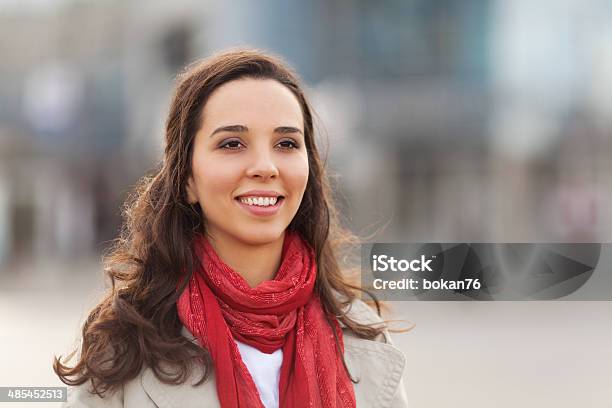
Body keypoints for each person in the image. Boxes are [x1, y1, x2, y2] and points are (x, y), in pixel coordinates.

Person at [54, 48, 409, 408]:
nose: (265, 166)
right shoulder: (124, 346)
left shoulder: (364, 338)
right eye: (232, 144)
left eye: (286, 143)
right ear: (187, 178)